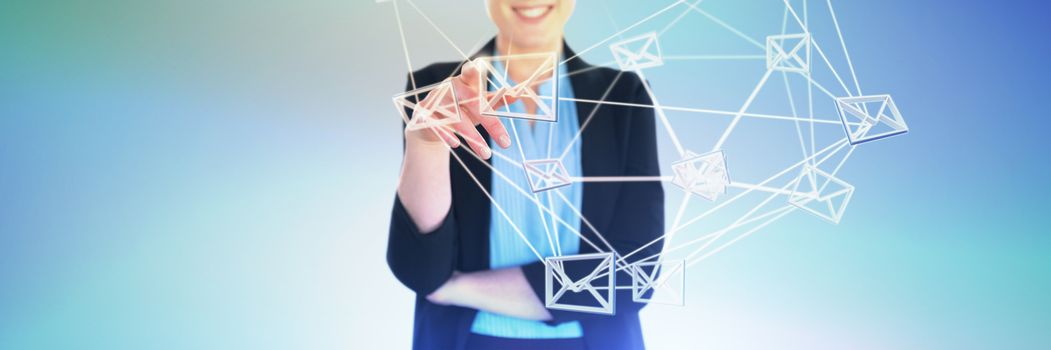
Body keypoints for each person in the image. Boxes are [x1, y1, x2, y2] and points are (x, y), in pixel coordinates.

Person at [387, 1, 664, 349]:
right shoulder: (436, 94)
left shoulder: (623, 97)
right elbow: (421, 270)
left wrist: (457, 288)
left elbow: (633, 276)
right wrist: (427, 144)